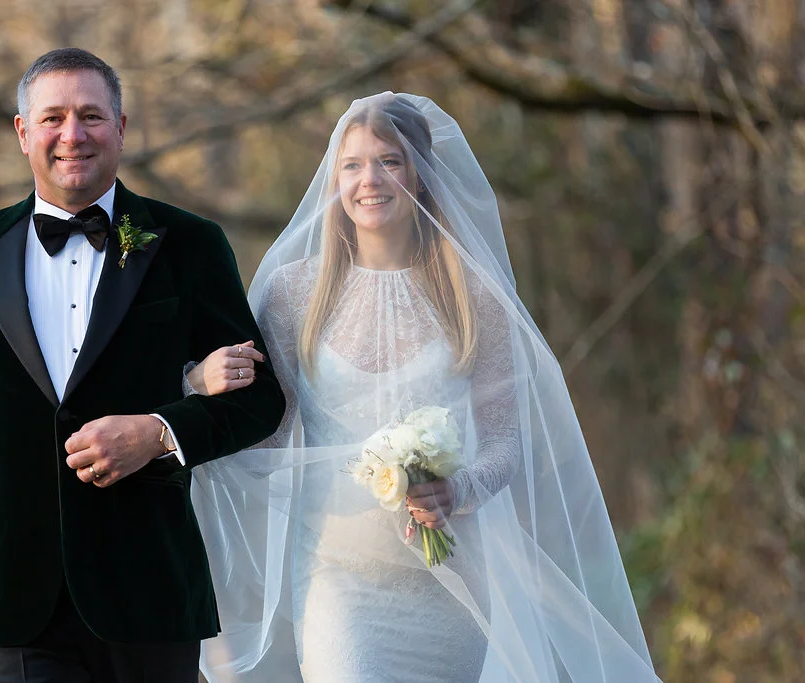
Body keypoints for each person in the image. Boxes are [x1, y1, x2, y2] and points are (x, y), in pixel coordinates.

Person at [185, 93, 663, 682]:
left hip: (455, 583)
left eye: (390, 161)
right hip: (339, 577)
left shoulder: (473, 296)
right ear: (334, 180)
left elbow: (506, 441)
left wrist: (457, 488)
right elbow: (270, 439)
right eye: (352, 165)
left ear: (421, 174)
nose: (370, 180)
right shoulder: (294, 294)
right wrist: (195, 392)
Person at [0, 47, 285, 683]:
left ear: (121, 129)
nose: (72, 135)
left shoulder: (188, 244)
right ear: (23, 133)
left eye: (91, 116)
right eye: (52, 118)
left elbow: (259, 400)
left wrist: (158, 431)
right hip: (7, 590)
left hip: (150, 586)